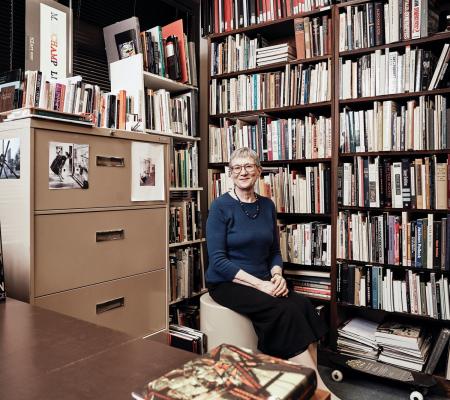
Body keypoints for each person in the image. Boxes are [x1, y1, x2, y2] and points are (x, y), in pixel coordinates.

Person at [206, 147, 337, 397]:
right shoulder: (220, 207)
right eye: (237, 168)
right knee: (283, 311)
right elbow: (218, 262)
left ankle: (302, 384)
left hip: (264, 279)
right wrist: (261, 285)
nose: (243, 172)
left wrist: (277, 275)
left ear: (258, 170)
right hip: (228, 282)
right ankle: (319, 391)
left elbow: (275, 251)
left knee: (303, 306)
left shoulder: (267, 205)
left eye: (248, 166)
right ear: (230, 173)